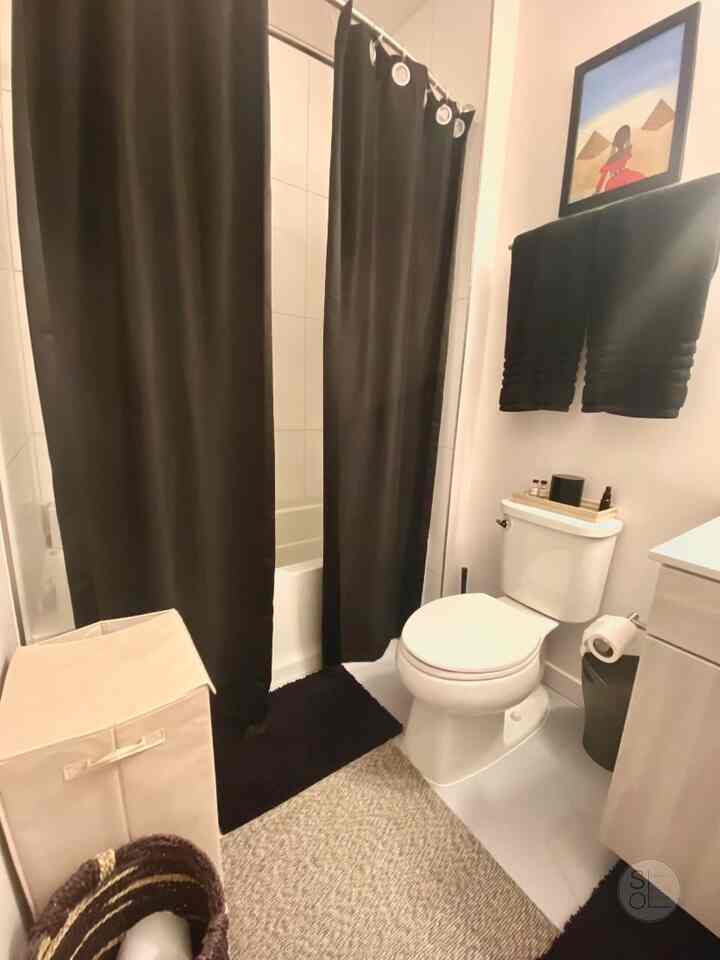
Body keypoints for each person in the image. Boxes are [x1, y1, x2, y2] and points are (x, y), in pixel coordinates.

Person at [595, 124, 645, 193]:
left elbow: (603, 177)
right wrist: (597, 191)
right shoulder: (620, 155)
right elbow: (603, 177)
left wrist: (597, 191)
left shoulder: (620, 154)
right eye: (627, 139)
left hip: (622, 177)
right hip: (618, 180)